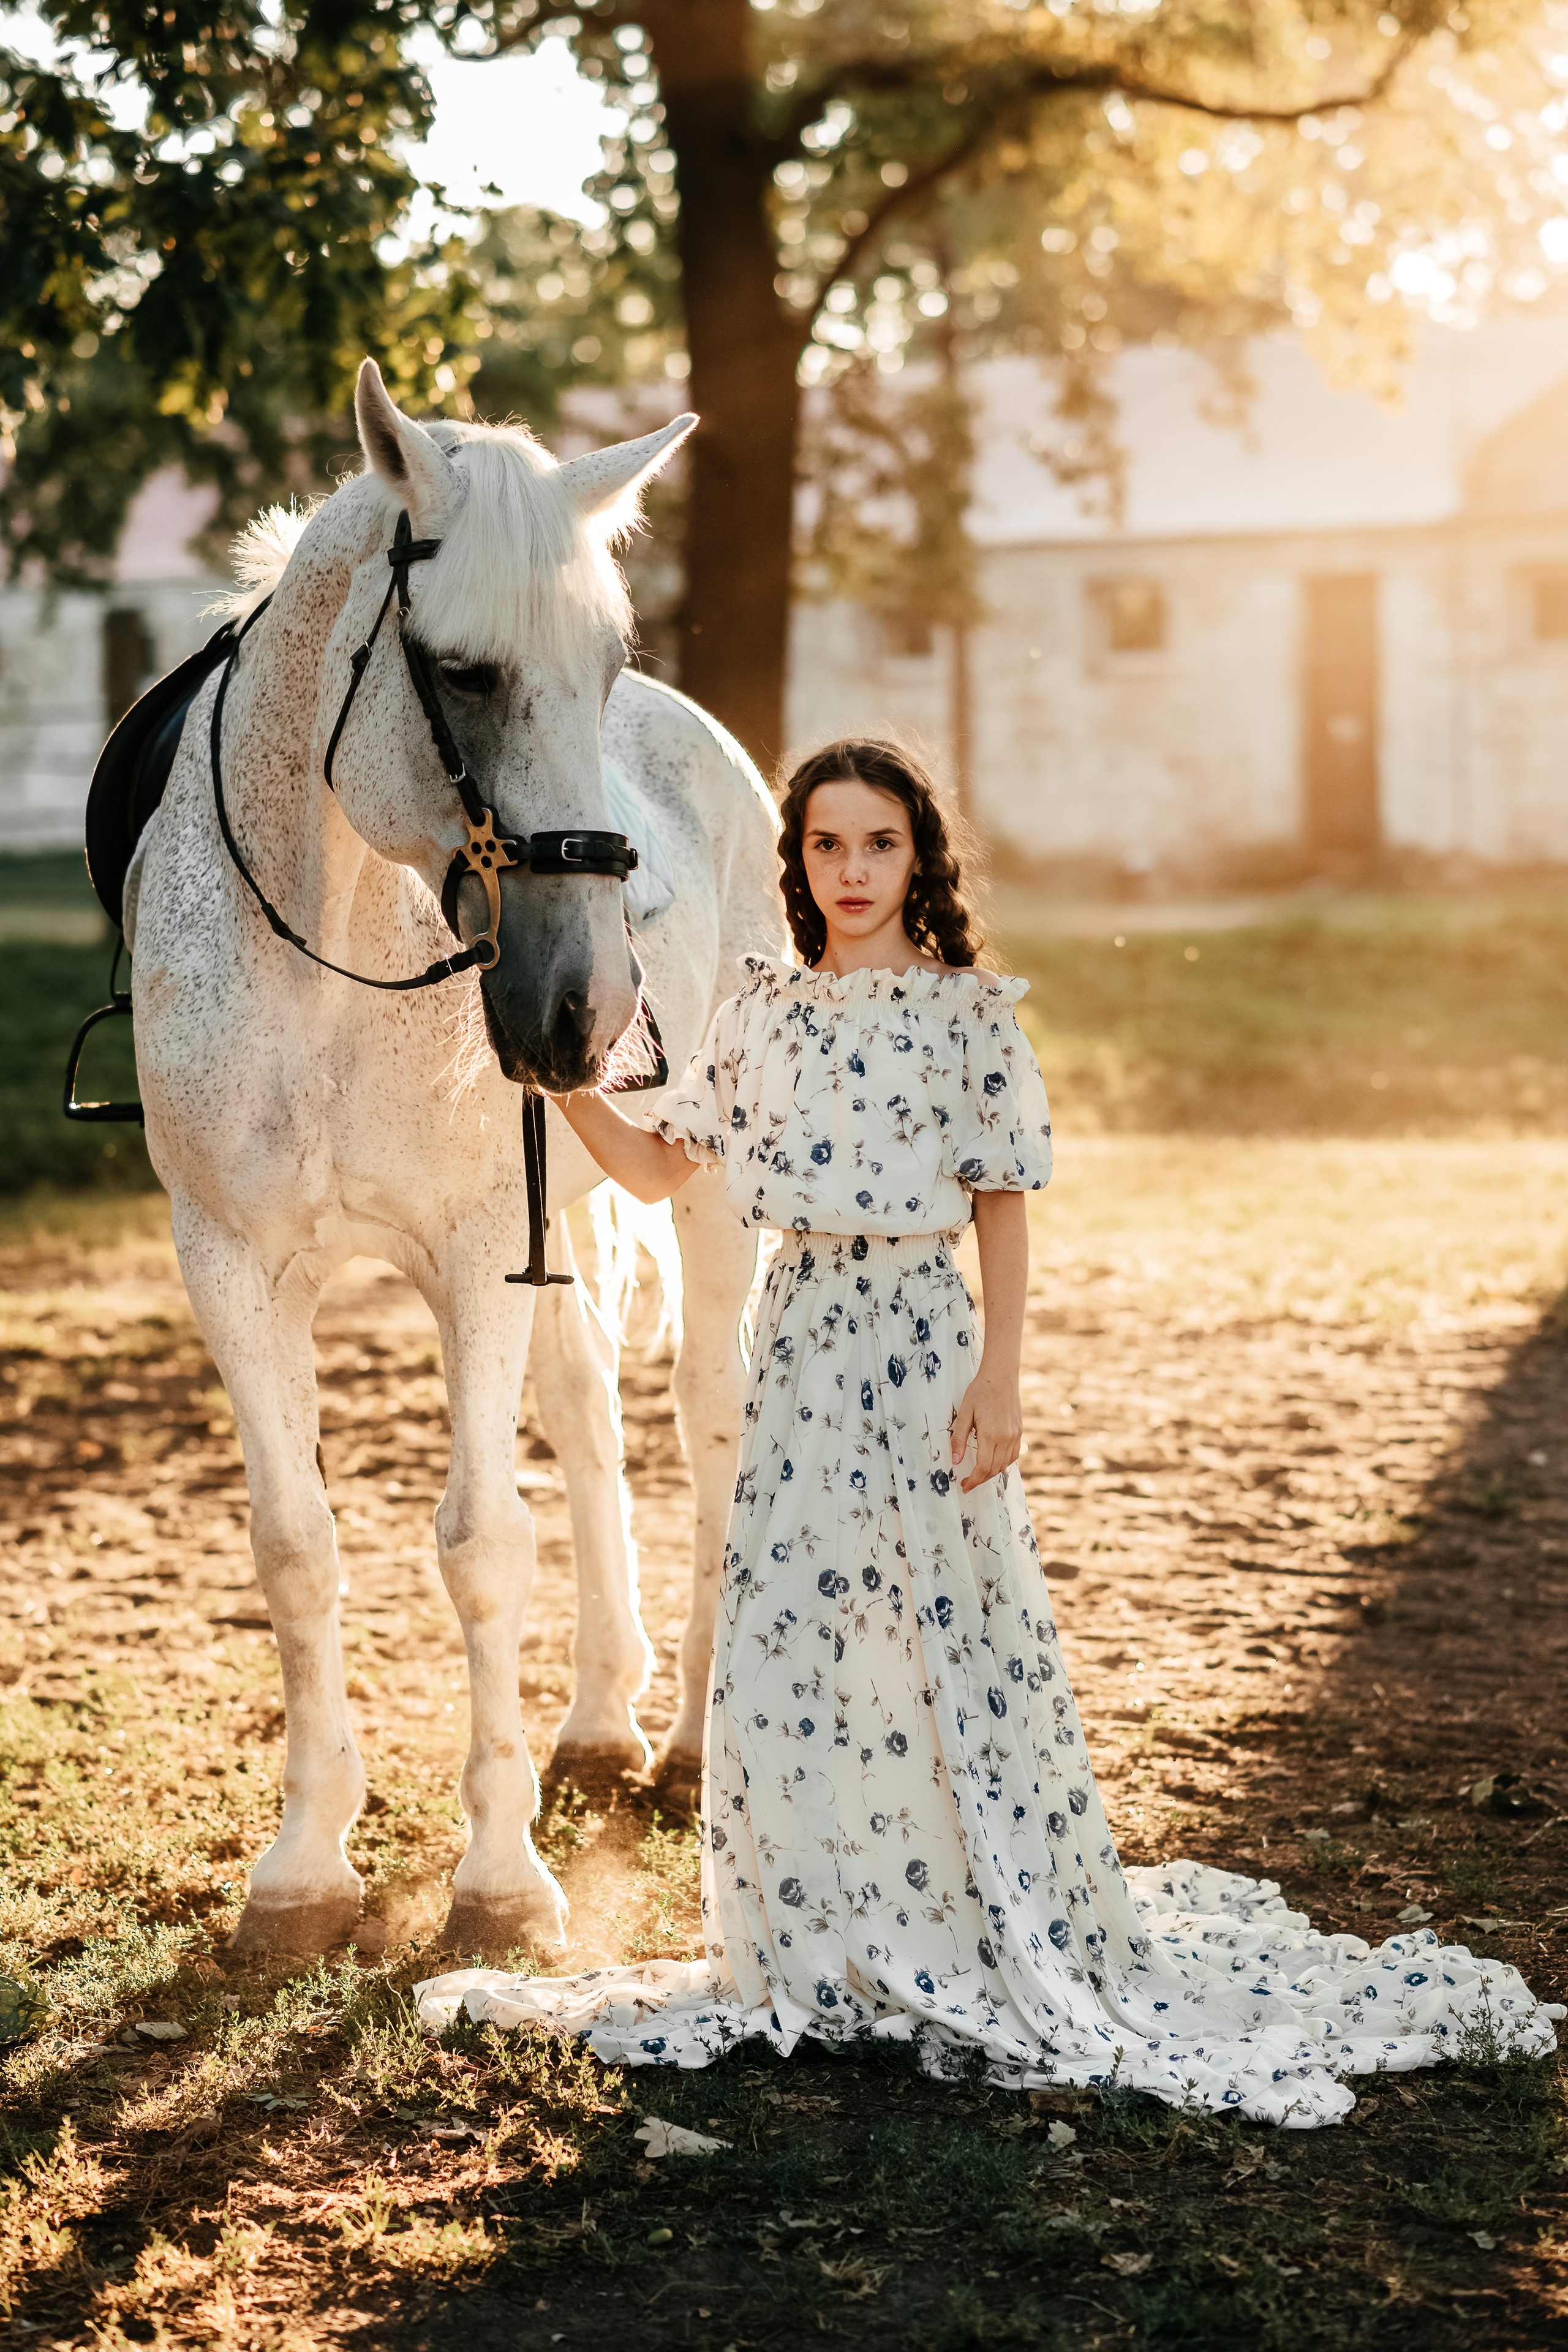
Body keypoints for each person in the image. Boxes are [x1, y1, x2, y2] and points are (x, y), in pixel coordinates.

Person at [417, 737, 1560, 2125]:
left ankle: (957, 1919)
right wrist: (561, 1081)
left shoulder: (965, 1017)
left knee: (936, 1626)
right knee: (788, 1635)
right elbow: (665, 1170)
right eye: (826, 844)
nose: (849, 871)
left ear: (918, 858)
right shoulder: (760, 1012)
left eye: (877, 844)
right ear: (798, 862)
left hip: (918, 1337)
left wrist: (999, 1376)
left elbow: (1003, 1200)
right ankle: (811, 1941)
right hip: (792, 1341)